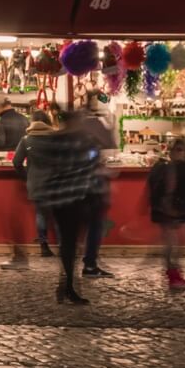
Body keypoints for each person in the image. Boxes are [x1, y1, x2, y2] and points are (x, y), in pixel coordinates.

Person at [23, 112, 97, 304]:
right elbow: (91, 163)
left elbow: (44, 161)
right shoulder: (80, 141)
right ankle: (68, 287)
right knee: (71, 245)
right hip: (74, 198)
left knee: (69, 244)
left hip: (60, 198)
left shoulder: (55, 140)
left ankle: (66, 284)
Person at [71, 95, 118, 278]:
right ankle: (89, 265)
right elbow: (102, 151)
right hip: (91, 189)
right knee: (94, 225)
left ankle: (78, 265)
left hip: (75, 188)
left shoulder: (77, 127)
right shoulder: (95, 127)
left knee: (78, 227)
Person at [5, 110, 57, 268]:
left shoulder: (26, 140)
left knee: (41, 214)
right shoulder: (55, 139)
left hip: (36, 183)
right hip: (55, 182)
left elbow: (16, 162)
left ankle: (44, 246)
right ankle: (65, 247)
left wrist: (27, 176)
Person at [148, 138, 185, 291]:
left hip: (168, 208)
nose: (182, 153)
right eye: (179, 150)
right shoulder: (172, 168)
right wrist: (170, 208)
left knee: (174, 242)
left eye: (183, 150)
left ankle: (173, 274)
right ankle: (174, 276)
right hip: (172, 208)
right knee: (175, 242)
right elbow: (170, 188)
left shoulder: (164, 167)